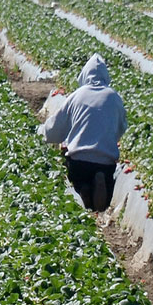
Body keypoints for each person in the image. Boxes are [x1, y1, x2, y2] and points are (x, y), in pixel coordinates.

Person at [39, 53, 127, 211]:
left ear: (84, 75)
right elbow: (121, 128)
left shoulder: (76, 96)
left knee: (77, 178)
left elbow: (55, 130)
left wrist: (42, 133)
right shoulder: (114, 97)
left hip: (79, 162)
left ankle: (83, 190)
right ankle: (101, 190)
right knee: (106, 184)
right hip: (106, 163)